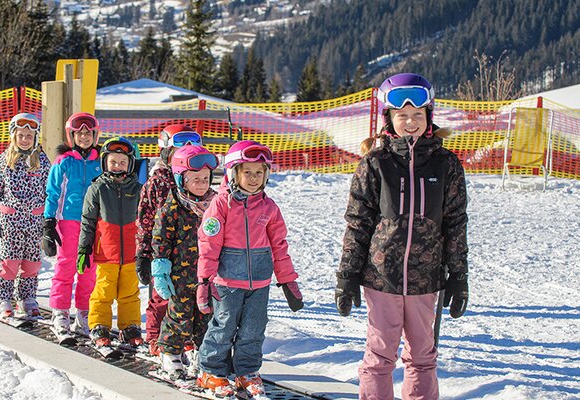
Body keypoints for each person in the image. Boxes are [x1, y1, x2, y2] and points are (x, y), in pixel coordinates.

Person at [335, 73, 469, 400]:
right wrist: (348, 275)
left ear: (429, 118)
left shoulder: (446, 164)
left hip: (426, 279)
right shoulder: (376, 164)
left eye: (417, 116)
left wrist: (459, 276)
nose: (410, 122)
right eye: (402, 116)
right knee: (380, 356)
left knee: (423, 358)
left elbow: (455, 223)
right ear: (389, 119)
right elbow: (357, 222)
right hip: (382, 278)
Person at [195, 140, 303, 398]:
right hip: (227, 282)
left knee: (254, 329)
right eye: (247, 172)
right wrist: (203, 281)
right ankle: (211, 372)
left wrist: (288, 281)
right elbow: (209, 244)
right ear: (234, 173)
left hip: (260, 282)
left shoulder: (269, 207)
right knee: (223, 327)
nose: (253, 179)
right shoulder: (221, 205)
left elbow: (279, 246)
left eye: (259, 173)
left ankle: (247, 371)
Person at [135, 124, 203, 355]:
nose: (183, 157)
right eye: (178, 152)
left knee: (188, 299)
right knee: (161, 297)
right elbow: (145, 220)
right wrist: (144, 253)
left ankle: (183, 337)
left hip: (191, 250)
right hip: (162, 251)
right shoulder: (157, 182)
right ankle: (155, 337)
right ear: (165, 152)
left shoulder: (195, 178)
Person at [151, 145, 218, 379]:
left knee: (206, 317)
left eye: (205, 178)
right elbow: (160, 239)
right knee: (179, 315)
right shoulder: (172, 207)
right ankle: (170, 354)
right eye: (195, 179)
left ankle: (203, 354)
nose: (201, 184)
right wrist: (160, 268)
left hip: (208, 274)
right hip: (180, 275)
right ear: (181, 179)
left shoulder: (215, 205)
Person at [77, 137, 143, 348]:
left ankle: (130, 326)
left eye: (122, 162)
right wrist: (83, 249)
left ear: (130, 165)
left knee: (130, 292)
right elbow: (87, 221)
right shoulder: (97, 189)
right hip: (106, 251)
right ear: (105, 162)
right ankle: (99, 325)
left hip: (132, 252)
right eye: (113, 162)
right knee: (103, 290)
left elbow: (147, 221)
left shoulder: (139, 189)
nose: (117, 166)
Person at [0, 113, 51, 320]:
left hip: (35, 221)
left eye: (29, 136)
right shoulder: (5, 160)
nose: (25, 139)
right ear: (13, 136)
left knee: (32, 263)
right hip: (11, 221)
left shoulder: (41, 160)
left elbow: (50, 191)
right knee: (9, 263)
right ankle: (3, 298)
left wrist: (49, 220)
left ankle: (27, 297)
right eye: (21, 135)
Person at [43, 112, 102, 335]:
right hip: (69, 220)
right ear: (72, 136)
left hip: (94, 223)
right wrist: (49, 222)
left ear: (95, 135)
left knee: (89, 268)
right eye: (80, 134)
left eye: (89, 133)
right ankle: (59, 310)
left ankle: (84, 312)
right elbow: (53, 193)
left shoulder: (101, 162)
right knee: (66, 265)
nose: (84, 137)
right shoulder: (64, 162)